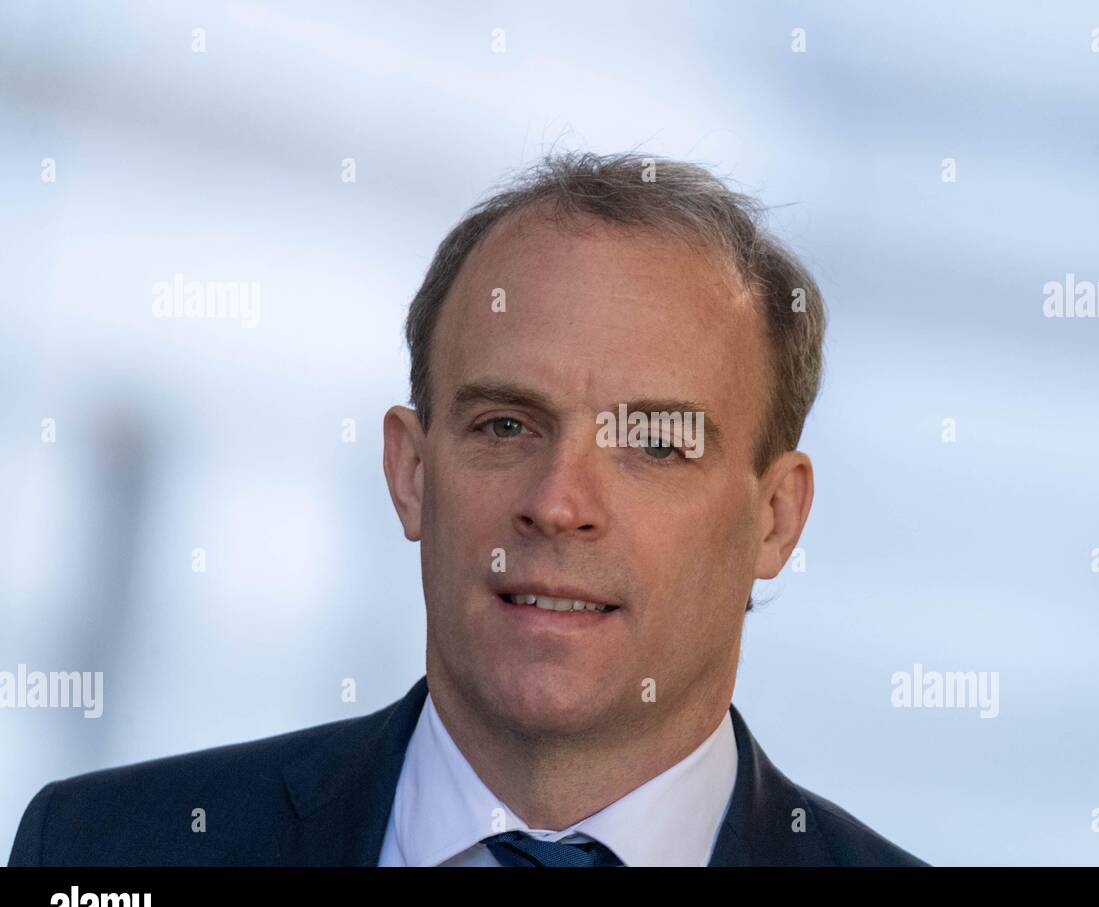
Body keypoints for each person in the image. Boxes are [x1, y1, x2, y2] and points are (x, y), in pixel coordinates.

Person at [9, 152, 926, 867]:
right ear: (410, 473)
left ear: (776, 519)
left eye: (653, 443)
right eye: (505, 425)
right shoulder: (107, 852)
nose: (559, 504)